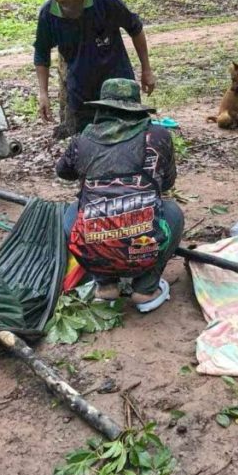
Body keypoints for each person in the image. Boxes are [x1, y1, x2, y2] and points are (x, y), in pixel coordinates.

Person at [56, 78, 184, 313]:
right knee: (173, 212)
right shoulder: (158, 135)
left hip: (95, 245)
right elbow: (167, 183)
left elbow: (63, 172)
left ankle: (105, 286)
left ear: (102, 108)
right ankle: (146, 289)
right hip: (143, 245)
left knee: (72, 213)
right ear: (137, 109)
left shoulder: (82, 140)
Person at [34, 0, 156, 136]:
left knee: (129, 137)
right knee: (90, 144)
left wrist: (146, 69)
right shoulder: (48, 14)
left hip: (119, 85)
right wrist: (43, 92)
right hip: (81, 93)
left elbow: (135, 29)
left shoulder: (105, 0)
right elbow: (41, 54)